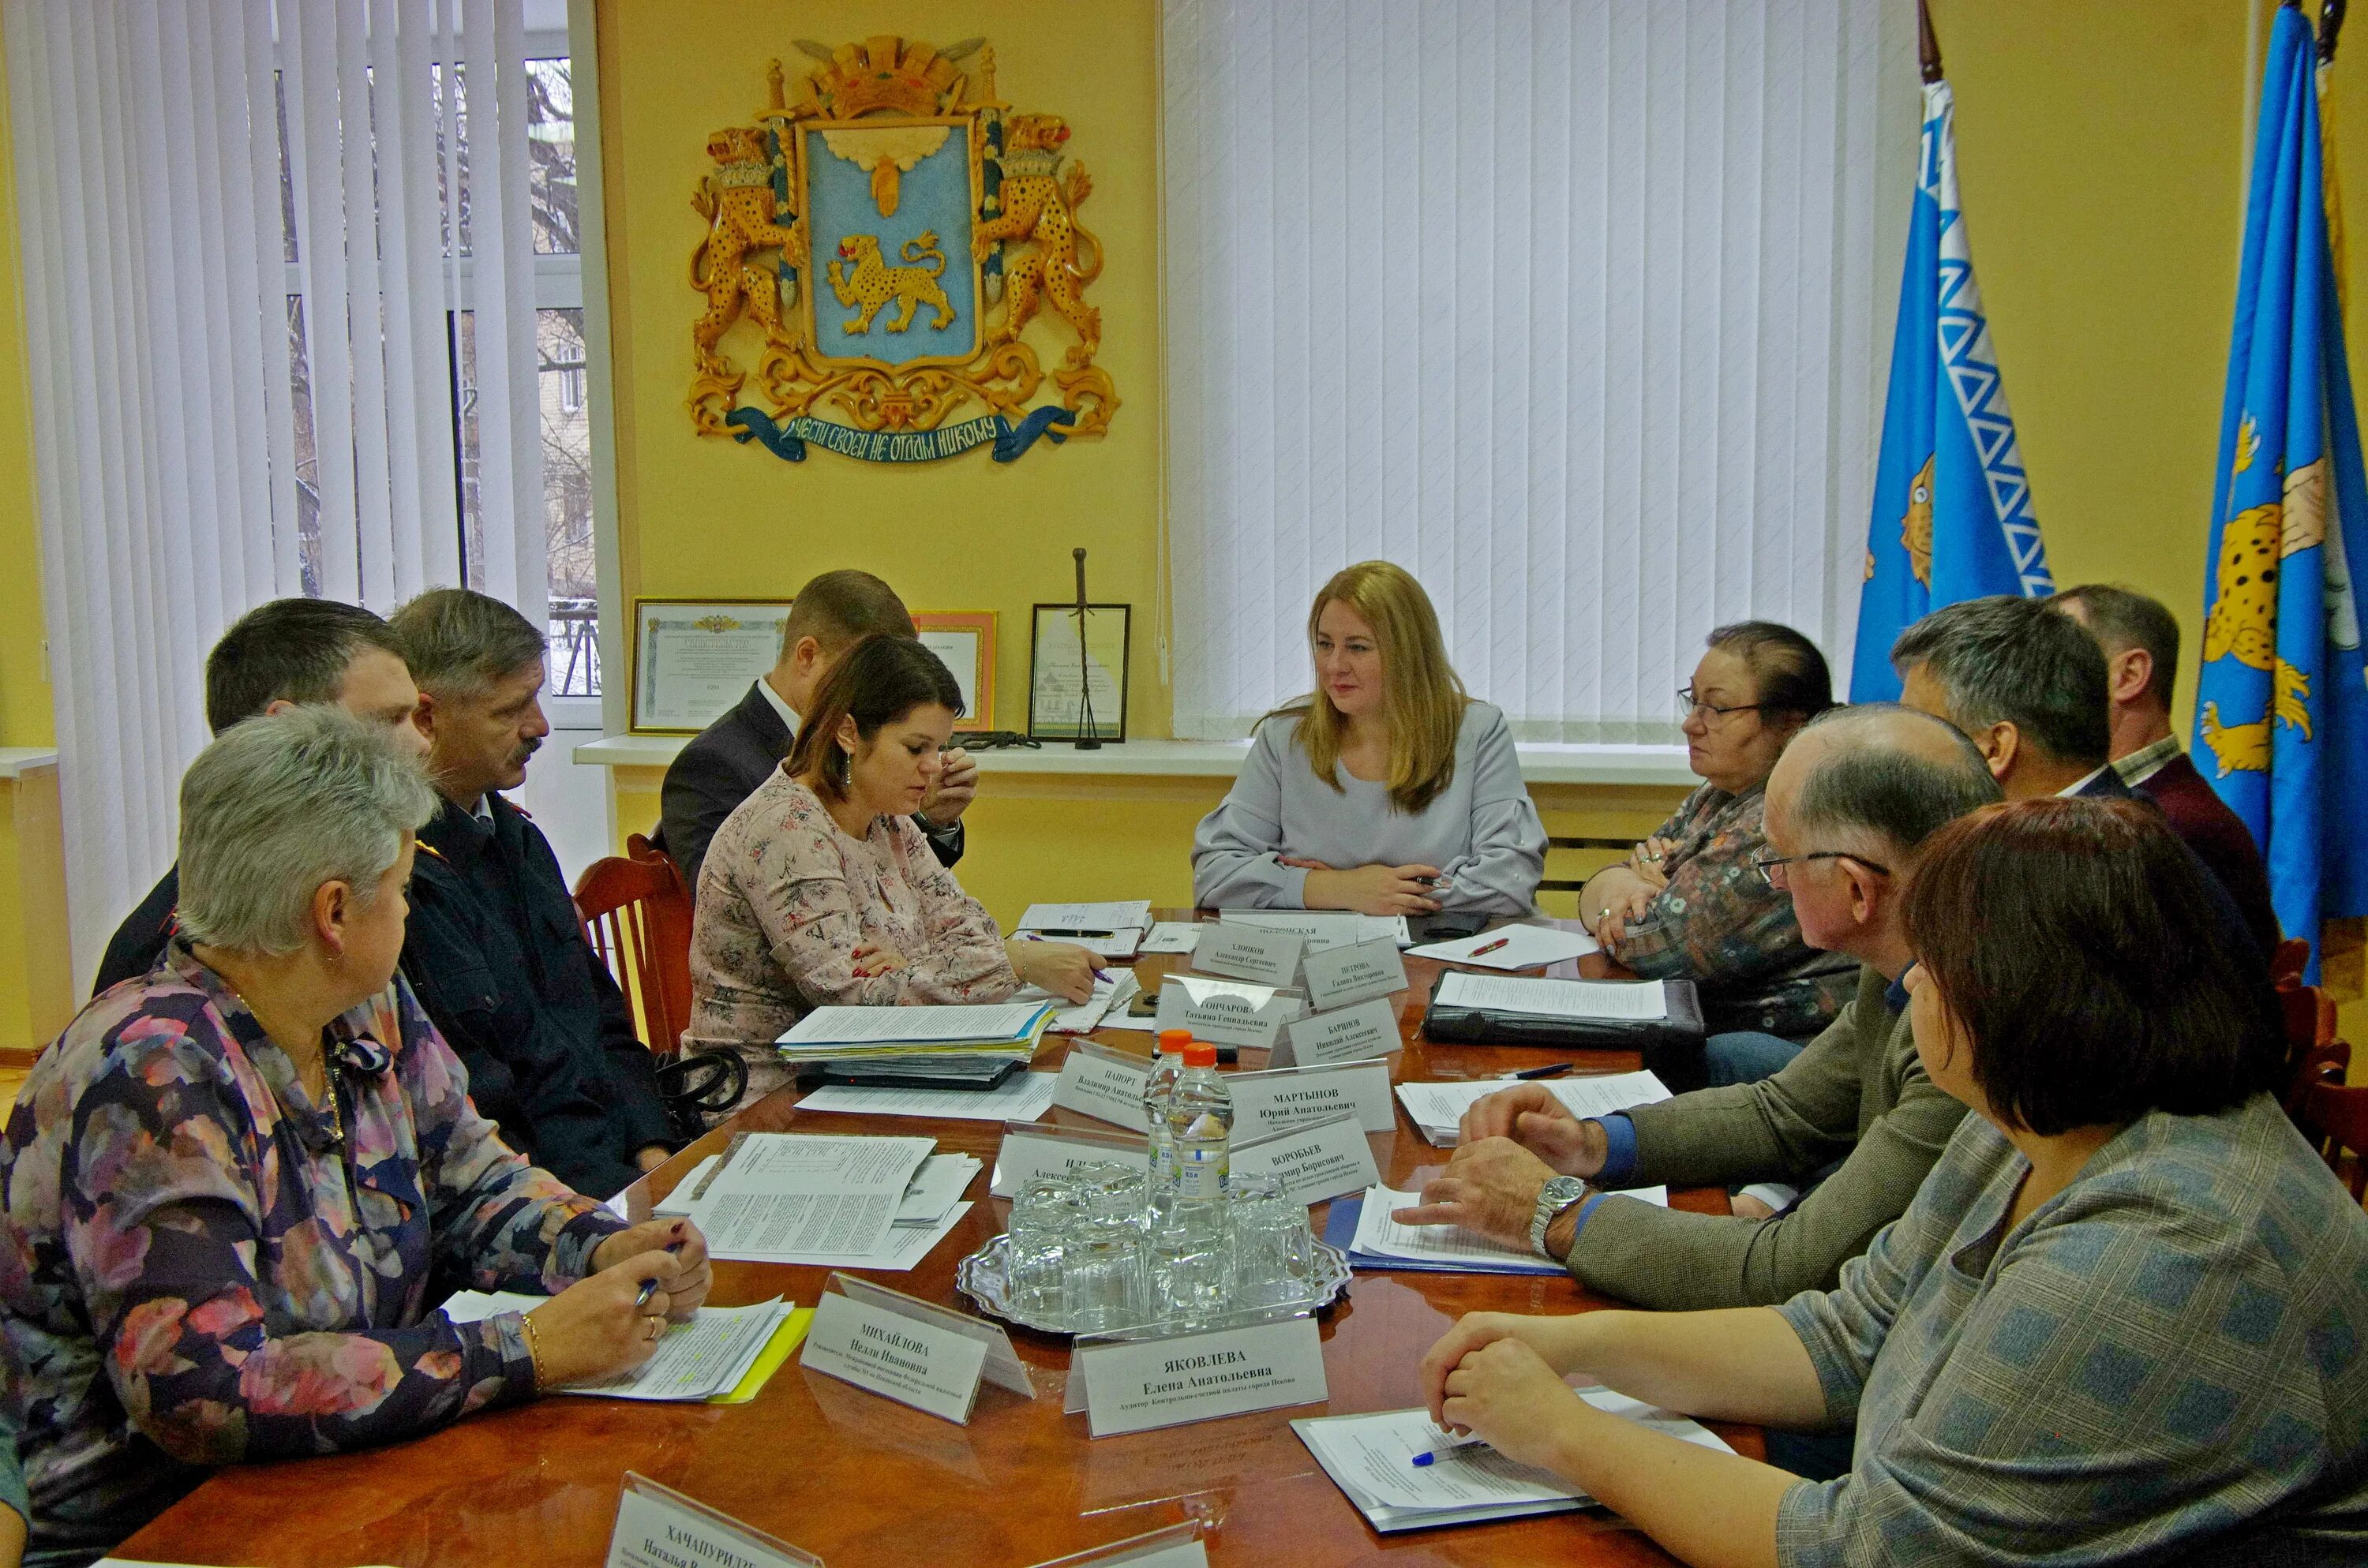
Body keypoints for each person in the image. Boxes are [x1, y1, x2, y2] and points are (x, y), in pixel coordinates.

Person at [1418, 799, 2368, 1567]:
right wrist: (1572, 1346)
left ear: (2030, 998)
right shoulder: (2038, 1119)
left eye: (1938, 966)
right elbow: (1848, 1337)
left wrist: (1565, 1433)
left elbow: (1864, 1547)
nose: (1911, 987)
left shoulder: (2171, 1246)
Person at [0, 709, 713, 1565]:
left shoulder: (364, 1003)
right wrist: (523, 1349)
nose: (412, 909)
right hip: (160, 1526)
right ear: (334, 911)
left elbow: (470, 1180)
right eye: (405, 885)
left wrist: (603, 1246)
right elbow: (203, 1390)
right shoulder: (153, 1071)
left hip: (345, 1473)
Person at [1393, 705, 1998, 1319]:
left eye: (1780, 861)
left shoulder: (1970, 1028)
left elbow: (1786, 1269)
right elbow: (1785, 1113)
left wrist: (1552, 1211)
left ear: (1858, 890)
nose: (1776, 884)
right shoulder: (1909, 949)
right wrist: (1593, 1143)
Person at [688, 636, 1096, 1110]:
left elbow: (970, 929)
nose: (933, 768)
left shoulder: (887, 817)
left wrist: (906, 962)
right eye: (915, 747)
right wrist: (1017, 962)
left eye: (940, 747)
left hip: (864, 1072)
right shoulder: (787, 828)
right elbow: (851, 1003)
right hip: (768, 1095)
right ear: (848, 733)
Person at [388, 588, 673, 1198]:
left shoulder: (516, 837)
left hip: (619, 1172)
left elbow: (602, 1015)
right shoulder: (403, 883)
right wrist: (607, 1201)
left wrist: (654, 1148)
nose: (539, 726)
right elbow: (488, 1100)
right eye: (509, 709)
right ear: (427, 716)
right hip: (542, 1199)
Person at [1892, 593, 2272, 965]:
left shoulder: (2077, 864)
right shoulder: (2092, 835)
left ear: (1994, 748)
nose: (1902, 759)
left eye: (1923, 730)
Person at [92, 597, 426, 995]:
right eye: (388, 720)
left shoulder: (374, 874)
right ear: (287, 727)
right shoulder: (174, 957)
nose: (421, 743)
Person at [1190, 561, 1546, 916]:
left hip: (1441, 952)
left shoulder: (1476, 731)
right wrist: (1343, 889)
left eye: (1358, 648)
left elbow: (1510, 881)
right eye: (1324, 644)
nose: (1334, 666)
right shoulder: (1285, 737)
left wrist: (1384, 895)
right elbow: (1216, 874)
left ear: (1408, 653)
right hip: (1317, 958)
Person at [1576, 623, 1857, 1055]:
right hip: (1706, 1026)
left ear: (1789, 725)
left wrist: (1634, 890)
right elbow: (1623, 881)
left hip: (1781, 1054)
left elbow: (1657, 948)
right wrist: (1621, 887)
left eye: (1717, 709)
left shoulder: (1790, 813)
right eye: (1694, 700)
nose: (1691, 724)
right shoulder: (1720, 792)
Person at [658, 570, 976, 897]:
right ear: (808, 656)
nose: (892, 695)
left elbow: (902, 895)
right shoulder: (711, 766)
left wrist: (929, 817)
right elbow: (735, 900)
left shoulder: (866, 743)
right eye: (867, 674)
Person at [2052, 582, 2280, 952]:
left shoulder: (2176, 825)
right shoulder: (2127, 810)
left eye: (2056, 663)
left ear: (2127, 676)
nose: (2028, 689)